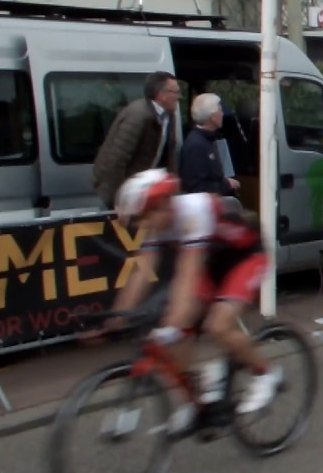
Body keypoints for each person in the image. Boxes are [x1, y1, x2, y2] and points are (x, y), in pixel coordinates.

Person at [106, 169, 281, 433]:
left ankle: (266, 374)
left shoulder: (193, 212)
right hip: (212, 262)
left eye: (147, 215)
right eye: (140, 219)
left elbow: (186, 278)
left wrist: (171, 325)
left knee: (216, 325)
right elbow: (140, 273)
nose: (145, 224)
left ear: (164, 203)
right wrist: (114, 318)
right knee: (177, 329)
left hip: (245, 256)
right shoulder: (158, 223)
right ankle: (193, 401)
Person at [93, 71, 182, 208]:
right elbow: (115, 160)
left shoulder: (169, 117)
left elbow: (169, 157)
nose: (179, 97)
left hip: (141, 191)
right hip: (121, 193)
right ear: (161, 94)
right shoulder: (138, 116)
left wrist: (172, 190)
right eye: (175, 92)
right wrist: (118, 200)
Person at [179, 93, 239, 199]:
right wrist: (227, 185)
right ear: (212, 117)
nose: (222, 114)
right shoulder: (196, 145)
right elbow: (196, 187)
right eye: (220, 111)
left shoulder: (209, 140)